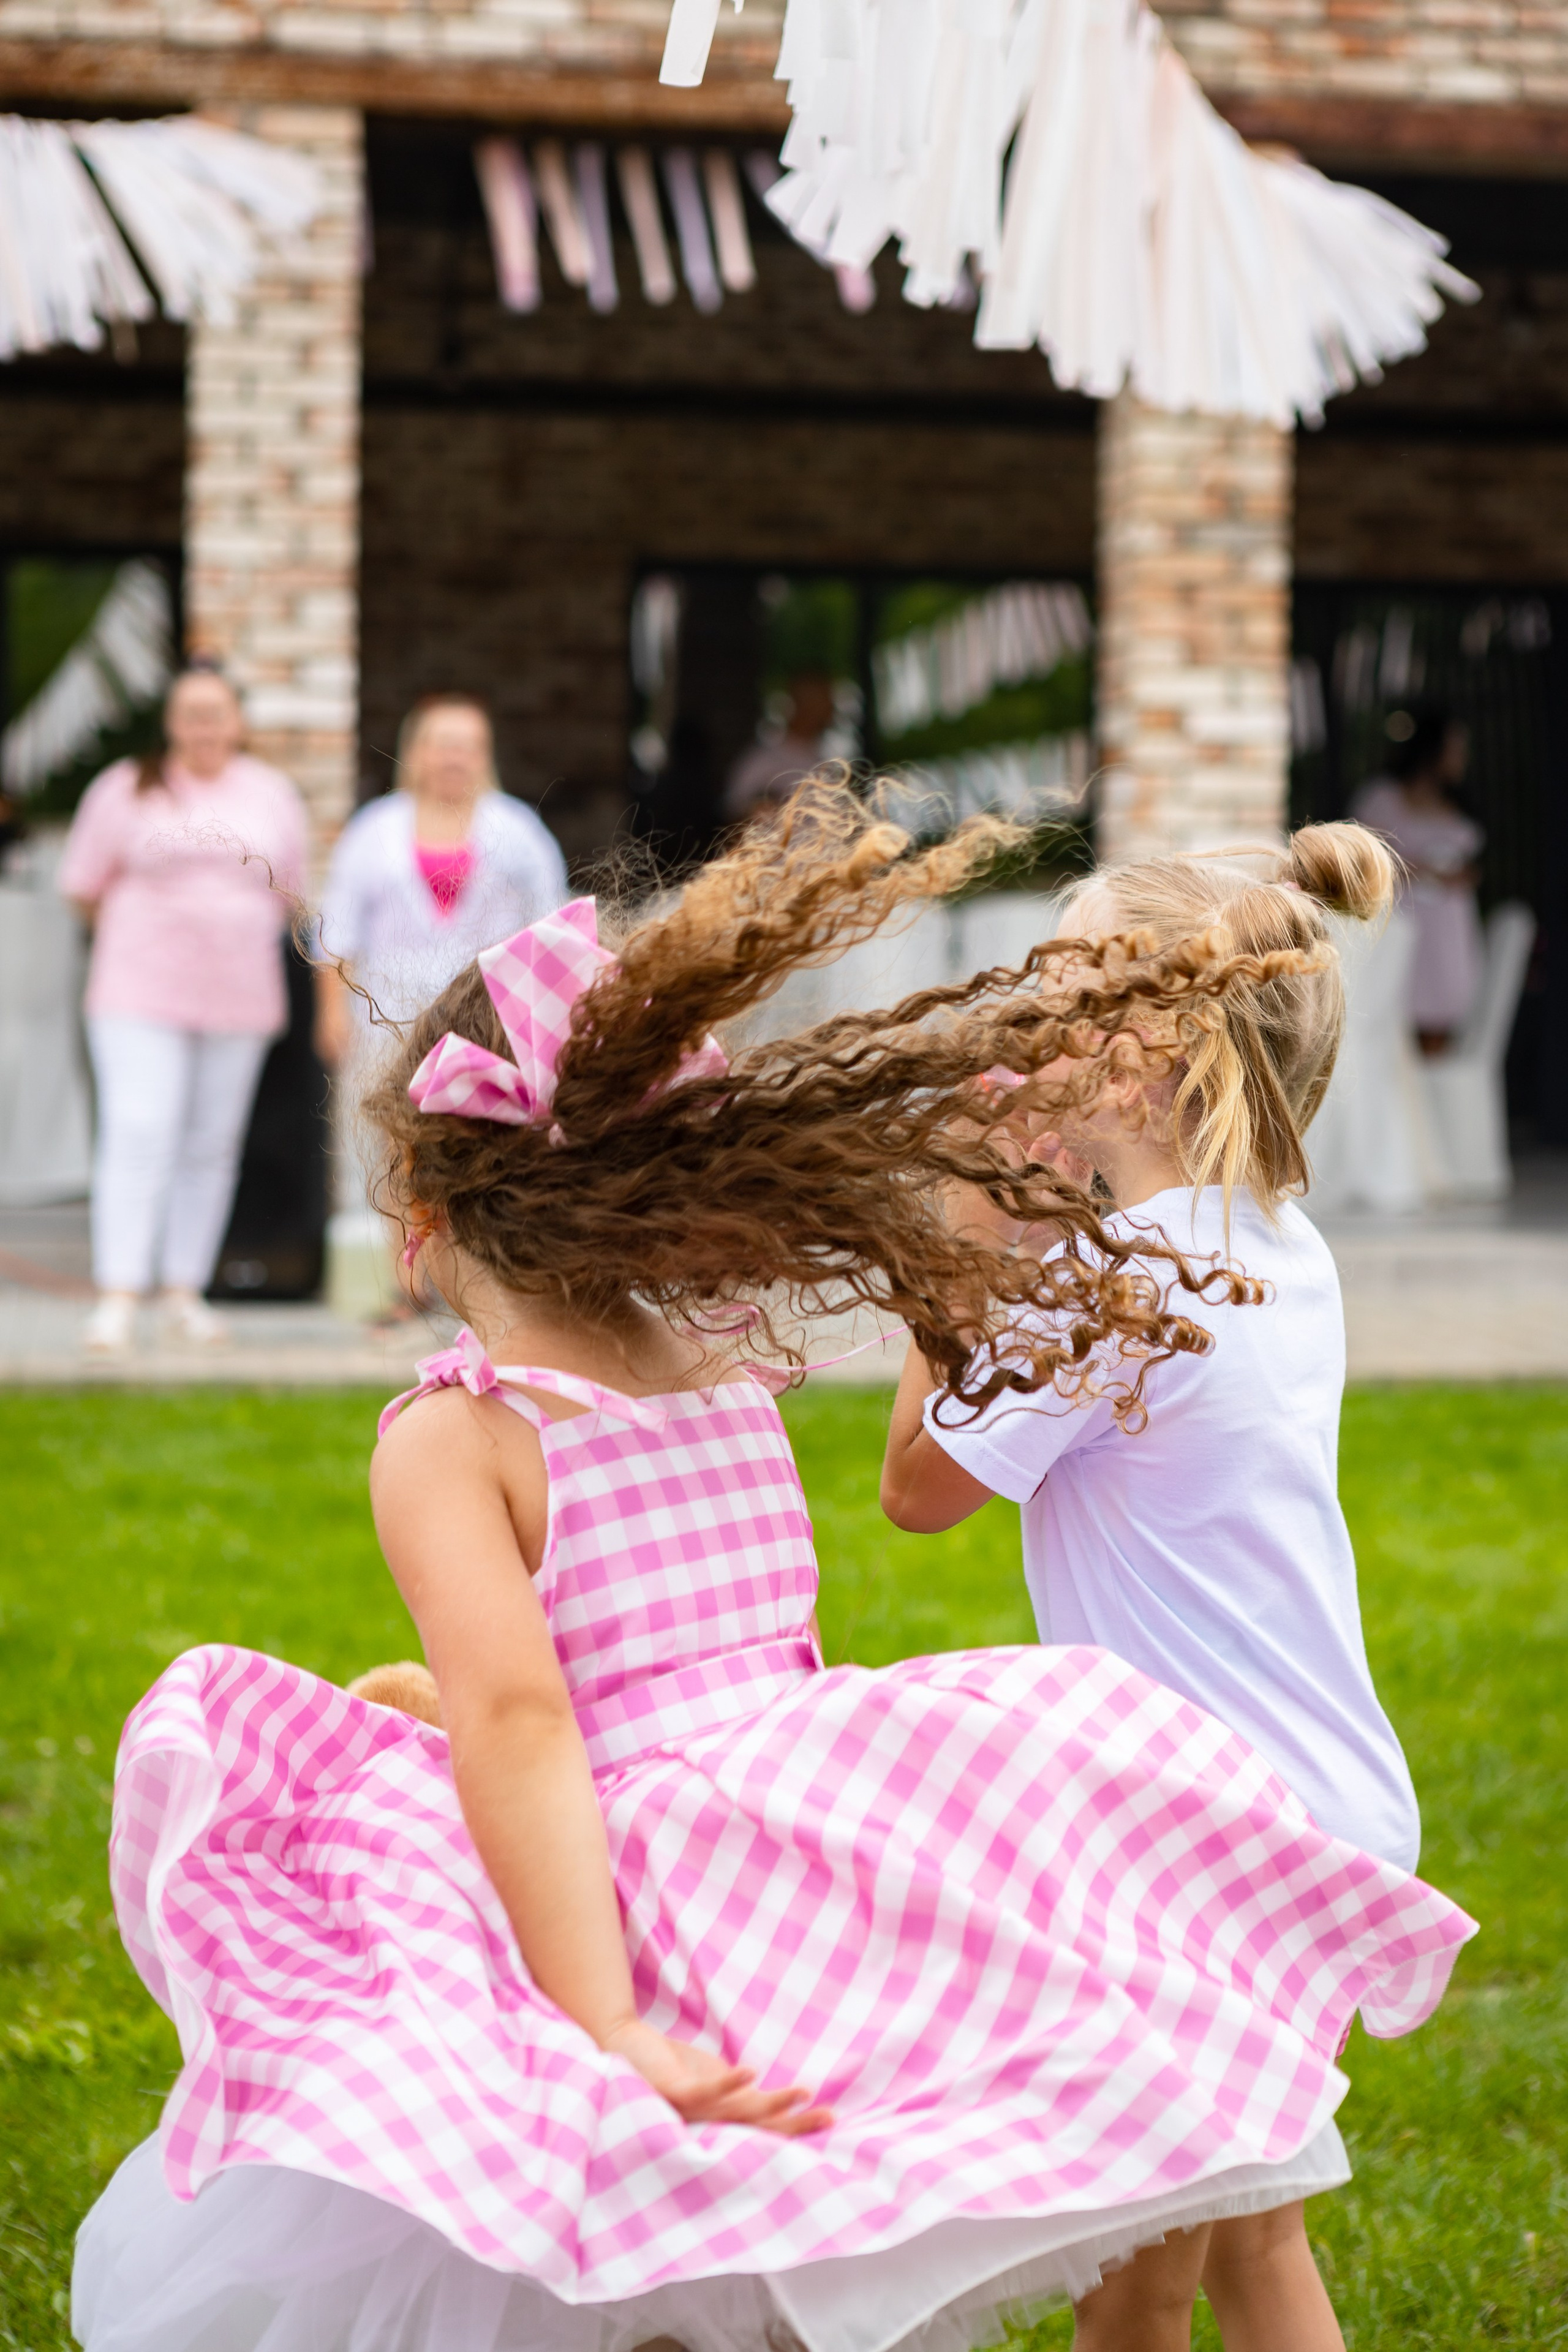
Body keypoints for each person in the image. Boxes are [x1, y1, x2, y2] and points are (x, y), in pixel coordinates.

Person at [75, 793, 1474, 2352]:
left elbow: (536, 1717)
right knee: (981, 2244)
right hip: (816, 1846)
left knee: (660, 2262)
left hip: (665, 1883)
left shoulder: (457, 1437)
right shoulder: (728, 1386)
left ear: (423, 1213)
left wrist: (602, 2018)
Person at [881, 821, 1426, 2348]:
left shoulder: (1116, 1282)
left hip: (1204, 1836)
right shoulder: (1267, 1241)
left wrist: (958, 1240)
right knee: (1200, 2242)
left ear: (1138, 1062)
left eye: (1053, 996)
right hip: (1306, 1796)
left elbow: (917, 1490)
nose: (1016, 1024)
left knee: (1183, 2258)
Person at [58, 662, 307, 1354]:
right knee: (140, 1130)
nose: (203, 727)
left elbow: (294, 892)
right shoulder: (124, 788)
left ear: (238, 722)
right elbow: (82, 886)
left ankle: (182, 1290)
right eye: (190, 714)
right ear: (170, 722)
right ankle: (118, 1295)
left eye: (215, 713)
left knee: (212, 1144)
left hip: (238, 995)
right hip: (138, 991)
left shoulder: (271, 793)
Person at [315, 693, 568, 1060]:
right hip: (385, 1021)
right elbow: (337, 928)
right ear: (415, 751)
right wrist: (332, 1012)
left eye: (469, 747)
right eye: (444, 745)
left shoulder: (521, 830)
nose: (455, 758)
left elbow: (552, 923)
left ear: (486, 756)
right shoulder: (372, 828)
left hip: (490, 1022)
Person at [1353, 709, 1484, 1054]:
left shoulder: (1458, 805)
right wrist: (1421, 870)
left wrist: (1462, 876)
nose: (1462, 758)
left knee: (1438, 1033)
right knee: (1389, 1028)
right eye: (1455, 749)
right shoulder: (1383, 799)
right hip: (1398, 923)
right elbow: (1361, 861)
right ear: (1432, 749)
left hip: (1447, 934)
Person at [723, 669, 838, 821]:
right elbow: (735, 813)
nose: (832, 708)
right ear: (804, 704)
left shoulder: (825, 763)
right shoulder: (764, 760)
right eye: (824, 699)